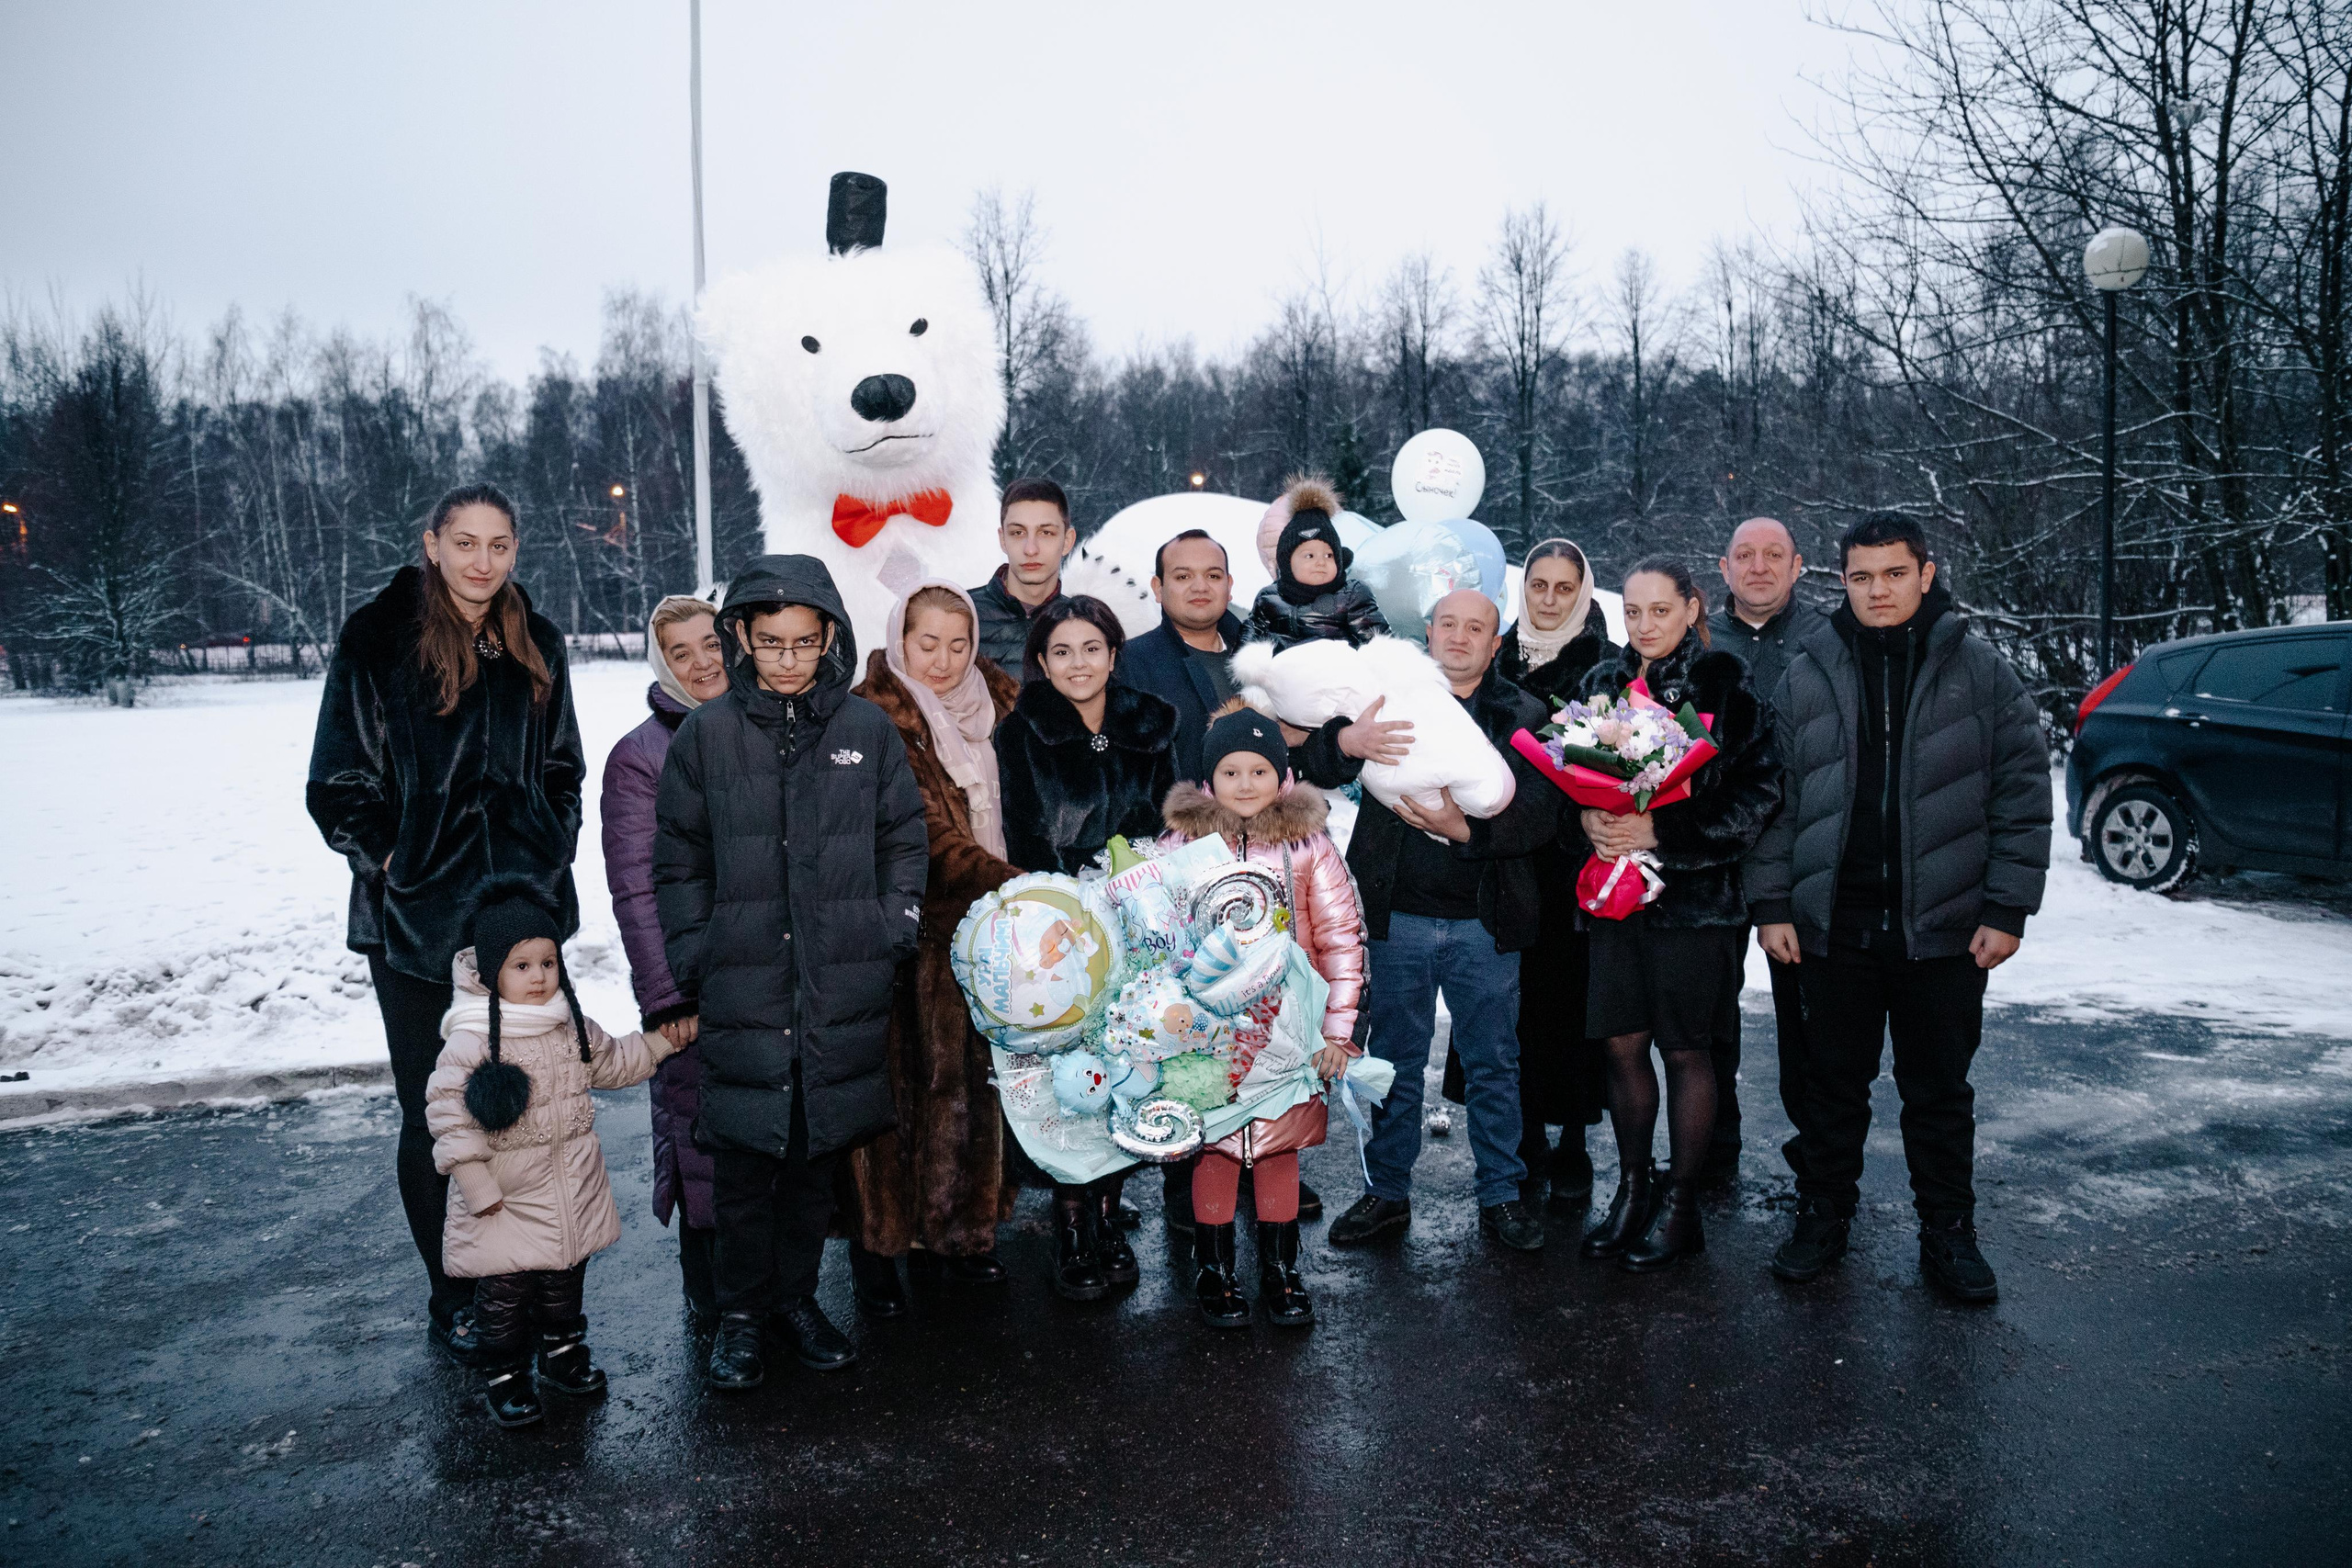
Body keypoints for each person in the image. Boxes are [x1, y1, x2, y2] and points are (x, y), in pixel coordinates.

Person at [306, 482, 582, 1368]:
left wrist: (550, 843)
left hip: (521, 919)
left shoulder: (534, 639)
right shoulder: (377, 637)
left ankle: (532, 1283)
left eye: (498, 545)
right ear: (431, 543)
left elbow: (564, 766)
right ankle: (455, 1293)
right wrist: (396, 859)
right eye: (464, 542)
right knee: (440, 1116)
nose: (481, 561)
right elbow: (337, 784)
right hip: (419, 924)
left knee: (534, 1108)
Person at [1747, 513, 2051, 1303]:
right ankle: (1823, 1215)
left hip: (1944, 929)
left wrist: (2009, 906)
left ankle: (1949, 1233)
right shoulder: (1810, 667)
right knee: (1830, 1087)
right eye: (1860, 577)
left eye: (1892, 574)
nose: (1876, 591)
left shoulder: (1980, 669)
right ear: (1840, 581)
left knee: (1939, 1091)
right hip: (1833, 925)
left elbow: (2022, 792)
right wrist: (1774, 900)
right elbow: (1777, 800)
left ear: (1925, 572)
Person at [654, 555, 929, 1391]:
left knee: (814, 1163)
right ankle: (740, 1316)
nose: (786, 658)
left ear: (829, 639)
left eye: (803, 642)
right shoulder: (706, 735)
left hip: (839, 988)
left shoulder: (865, 730)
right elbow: (678, 859)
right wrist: (696, 953)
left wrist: (893, 928)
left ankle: (798, 1299)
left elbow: (902, 839)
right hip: (743, 989)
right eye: (769, 641)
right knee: (743, 1165)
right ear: (740, 637)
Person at [1321, 590, 1560, 1254]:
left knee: (1493, 1063)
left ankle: (1501, 1195)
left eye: (1475, 627)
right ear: (1427, 632)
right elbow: (1316, 754)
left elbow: (1544, 810)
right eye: (1447, 624)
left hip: (1486, 921)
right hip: (1396, 915)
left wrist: (1466, 832)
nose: (1459, 636)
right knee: (1393, 1060)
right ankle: (1387, 1191)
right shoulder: (1386, 694)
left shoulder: (1524, 713)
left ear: (1495, 641)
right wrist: (1347, 738)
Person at [1571, 559, 1781, 1272]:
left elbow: (1757, 797)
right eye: (1632, 611)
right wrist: (1594, 821)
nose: (1645, 625)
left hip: (1695, 907)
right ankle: (1632, 1191)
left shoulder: (1726, 684)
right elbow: (1575, 779)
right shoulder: (1601, 685)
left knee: (1688, 1050)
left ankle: (1683, 1206)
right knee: (1621, 1045)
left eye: (1660, 611)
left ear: (1692, 608)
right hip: (1616, 904)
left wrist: (1661, 833)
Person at [425, 881, 679, 1428]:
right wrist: (475, 1184)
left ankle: (562, 1354)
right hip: (505, 1197)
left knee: (565, 1281)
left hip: (572, 1190)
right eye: (521, 966)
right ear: (493, 971)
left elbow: (614, 1063)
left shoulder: (570, 1026)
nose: (538, 976)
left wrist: (662, 1042)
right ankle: (505, 1373)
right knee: (506, 1295)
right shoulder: (471, 1040)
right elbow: (448, 1117)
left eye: (547, 962)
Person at [1157, 708, 1364, 1327]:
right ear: (1208, 778)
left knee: (1279, 1150)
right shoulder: (1181, 847)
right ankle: (1215, 1272)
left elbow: (1341, 937)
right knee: (1213, 1149)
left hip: (1289, 1035)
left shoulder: (1309, 846)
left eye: (1259, 769)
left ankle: (1280, 1269)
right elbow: (1158, 937)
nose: (1245, 782)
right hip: (1205, 1035)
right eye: (1230, 770)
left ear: (1283, 774)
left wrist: (1337, 1031)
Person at [996, 596, 1179, 1299]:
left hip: (1141, 916)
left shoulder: (1152, 722)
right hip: (1062, 923)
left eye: (1092, 648)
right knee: (1069, 1075)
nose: (1079, 663)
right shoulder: (1021, 732)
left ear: (1113, 652)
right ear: (1042, 662)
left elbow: (1170, 820)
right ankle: (1073, 1222)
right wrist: (1065, 903)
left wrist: (1143, 880)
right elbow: (1024, 832)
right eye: (1061, 651)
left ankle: (1109, 1211)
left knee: (1130, 1064)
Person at [844, 581, 1025, 1289]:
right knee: (905, 1088)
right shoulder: (875, 718)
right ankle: (889, 1244)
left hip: (983, 929)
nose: (944, 661)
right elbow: (924, 836)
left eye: (959, 644)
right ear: (899, 639)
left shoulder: (996, 706)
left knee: (971, 1082)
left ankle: (959, 1228)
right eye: (927, 644)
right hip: (908, 930)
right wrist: (1022, 884)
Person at [1447, 537, 1616, 1213]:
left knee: (1571, 1005)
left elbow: (1616, 760)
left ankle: (1572, 1134)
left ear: (1584, 592)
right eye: (1539, 585)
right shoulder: (1496, 652)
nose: (1549, 599)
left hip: (1573, 861)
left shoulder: (1601, 667)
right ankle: (1523, 1143)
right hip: (1505, 857)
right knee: (1506, 1010)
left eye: (1563, 588)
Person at [600, 594, 726, 1328]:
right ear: (662, 664)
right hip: (690, 980)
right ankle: (709, 1297)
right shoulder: (641, 755)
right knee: (700, 1130)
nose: (703, 661)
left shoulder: (764, 720)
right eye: (681, 652)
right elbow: (636, 887)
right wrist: (668, 997)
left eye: (711, 643)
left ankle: (770, 1289)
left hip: (767, 974)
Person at [1706, 516, 1824, 1182]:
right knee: (1711, 1018)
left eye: (1773, 555)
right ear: (1723, 569)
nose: (1758, 567)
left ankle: (1818, 1158)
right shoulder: (1700, 642)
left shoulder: (1827, 641)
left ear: (1797, 566)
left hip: (1802, 855)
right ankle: (1711, 1146)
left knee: (1806, 1020)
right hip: (1714, 857)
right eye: (1744, 556)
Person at [1244, 478, 1390, 650]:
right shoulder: (1270, 598)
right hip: (1285, 673)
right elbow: (1251, 637)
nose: (1321, 562)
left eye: (1329, 555)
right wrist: (1250, 665)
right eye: (1309, 556)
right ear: (1287, 564)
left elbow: (1378, 641)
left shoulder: (1352, 596)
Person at [971, 476, 1075, 673]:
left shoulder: (1083, 625)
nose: (1030, 549)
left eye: (1046, 533)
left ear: (1068, 541)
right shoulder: (961, 615)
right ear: (1003, 539)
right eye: (1018, 533)